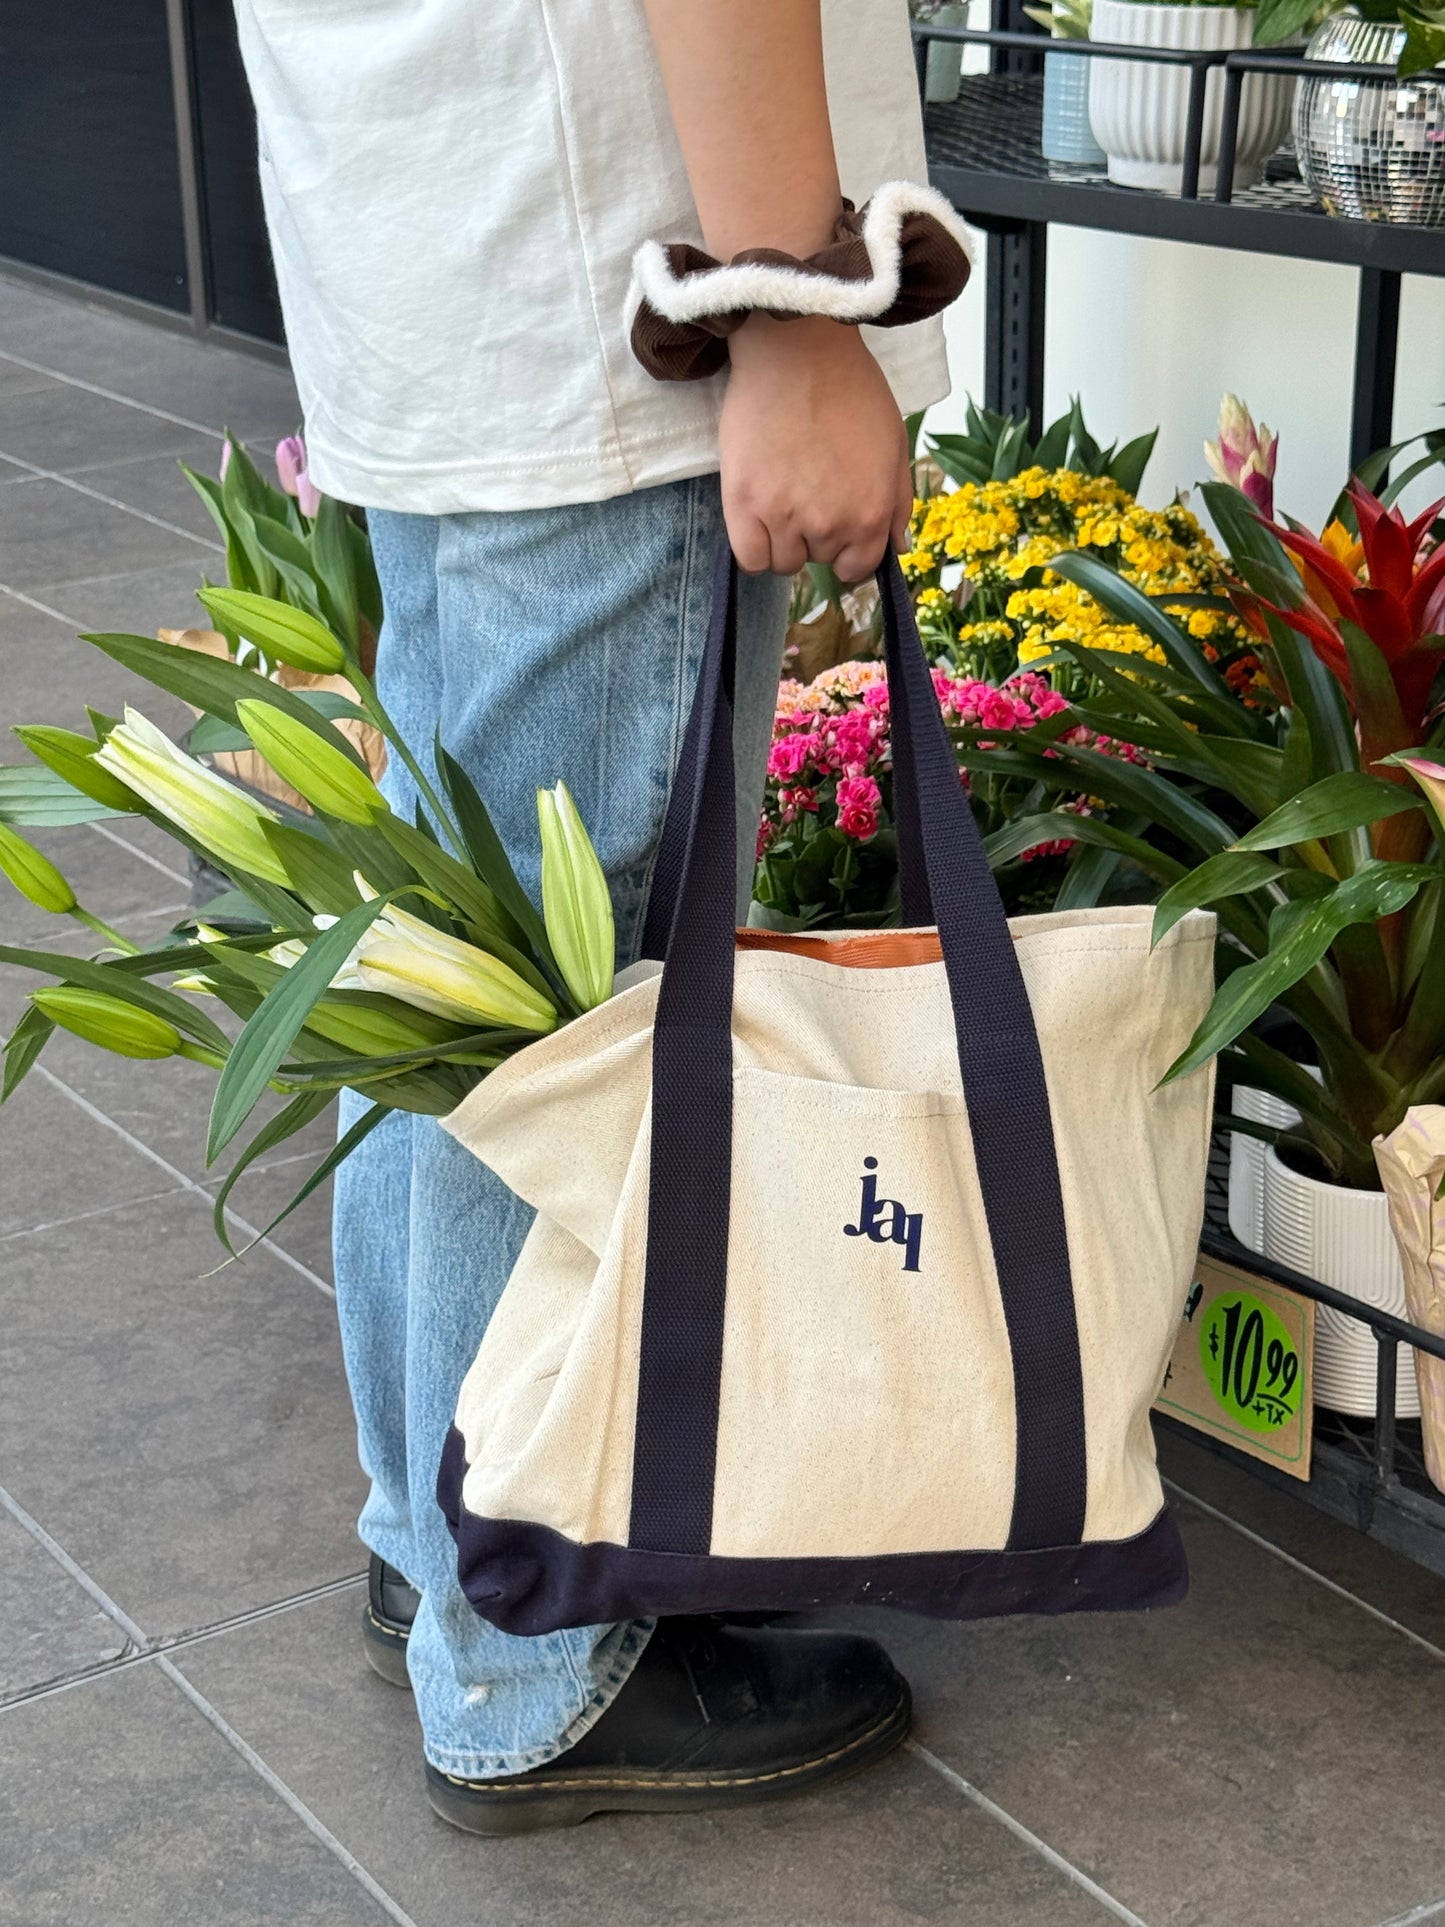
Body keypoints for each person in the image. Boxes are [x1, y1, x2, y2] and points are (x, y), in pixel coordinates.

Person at [231, 0, 964, 1833]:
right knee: (559, 1022)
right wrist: (788, 304)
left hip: (450, 254)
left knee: (465, 985)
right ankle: (531, 1651)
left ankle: (450, 1547)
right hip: (611, 299)